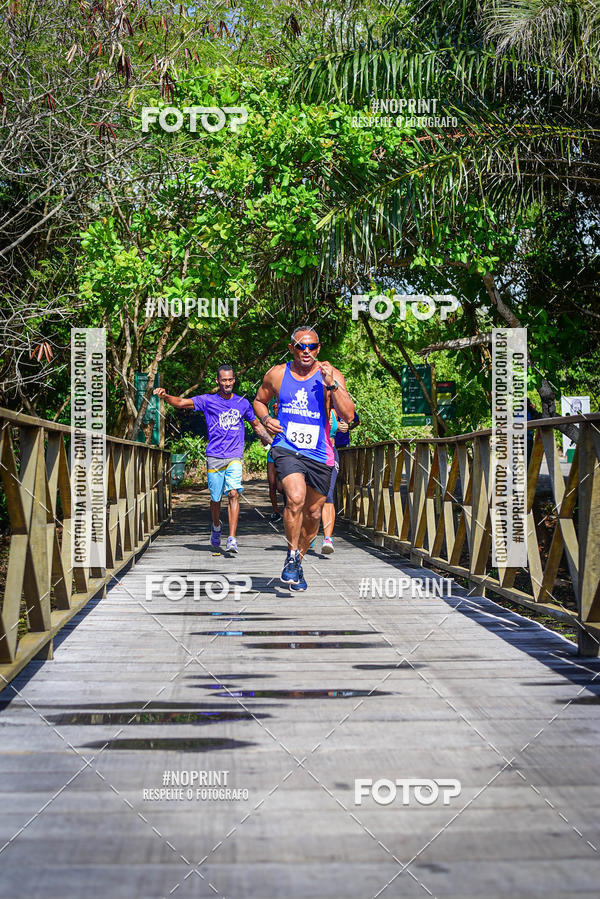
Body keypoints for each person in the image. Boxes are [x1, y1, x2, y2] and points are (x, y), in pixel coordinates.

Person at [253, 326, 355, 590]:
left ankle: (298, 560)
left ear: (318, 349)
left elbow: (349, 415)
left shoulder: (330, 375)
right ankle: (290, 555)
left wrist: (332, 384)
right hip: (287, 446)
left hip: (320, 452)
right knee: (296, 498)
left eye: (311, 346)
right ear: (292, 348)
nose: (306, 351)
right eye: (300, 346)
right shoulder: (278, 373)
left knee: (313, 513)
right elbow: (259, 401)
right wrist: (266, 419)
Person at [154, 365, 272, 552]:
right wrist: (165, 396)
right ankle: (216, 526)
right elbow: (182, 402)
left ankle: (232, 538)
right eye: (224, 380)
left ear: (234, 380)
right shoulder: (207, 400)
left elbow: (256, 425)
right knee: (215, 498)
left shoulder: (242, 403)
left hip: (234, 456)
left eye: (230, 380)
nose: (227, 383)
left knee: (233, 493)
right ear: (218, 381)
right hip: (214, 456)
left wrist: (272, 443)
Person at [266, 400, 283, 522]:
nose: (276, 409)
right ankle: (276, 512)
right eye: (274, 407)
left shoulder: (287, 420)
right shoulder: (270, 422)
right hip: (272, 454)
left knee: (282, 487)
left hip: (285, 455)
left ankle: (289, 507)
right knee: (272, 484)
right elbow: (264, 440)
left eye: (278, 407)